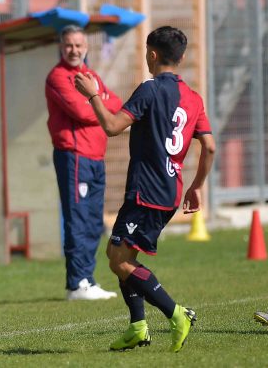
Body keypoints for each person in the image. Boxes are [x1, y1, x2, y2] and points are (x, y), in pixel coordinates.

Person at [75, 26, 216, 352]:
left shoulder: (150, 89)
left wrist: (92, 95)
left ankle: (177, 313)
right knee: (119, 253)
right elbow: (209, 147)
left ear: (152, 54)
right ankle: (138, 326)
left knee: (119, 261)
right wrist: (196, 186)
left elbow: (112, 126)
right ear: (181, 57)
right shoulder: (194, 98)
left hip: (146, 191)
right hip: (170, 190)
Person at [45, 24, 122, 300]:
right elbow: (82, 112)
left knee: (92, 221)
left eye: (78, 45)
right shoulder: (58, 77)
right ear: (61, 47)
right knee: (77, 219)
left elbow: (117, 102)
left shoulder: (90, 75)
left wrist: (97, 100)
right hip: (74, 157)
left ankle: (88, 279)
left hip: (96, 157)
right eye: (69, 45)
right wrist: (98, 102)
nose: (74, 50)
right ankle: (76, 283)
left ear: (86, 47)